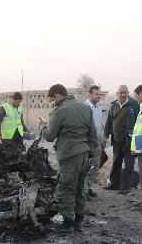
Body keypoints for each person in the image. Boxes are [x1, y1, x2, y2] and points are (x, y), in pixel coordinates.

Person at [40, 84, 98, 236]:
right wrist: (92, 154)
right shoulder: (85, 108)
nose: (53, 102)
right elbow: (93, 134)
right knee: (80, 189)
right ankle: (78, 221)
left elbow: (50, 136)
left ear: (58, 96)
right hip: (84, 154)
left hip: (69, 157)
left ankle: (67, 225)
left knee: (67, 189)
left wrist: (43, 127)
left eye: (53, 99)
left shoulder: (59, 111)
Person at [103, 85, 139, 194]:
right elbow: (109, 122)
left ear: (128, 93)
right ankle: (115, 184)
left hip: (129, 141)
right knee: (116, 163)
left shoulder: (134, 105)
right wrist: (105, 135)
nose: (123, 95)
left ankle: (126, 188)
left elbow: (139, 122)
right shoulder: (114, 106)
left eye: (125, 92)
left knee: (129, 165)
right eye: (121, 93)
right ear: (117, 94)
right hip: (117, 139)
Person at [84, 86, 104, 197]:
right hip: (86, 141)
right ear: (90, 94)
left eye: (100, 94)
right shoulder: (84, 107)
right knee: (85, 165)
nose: (99, 96)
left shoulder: (99, 108)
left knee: (95, 165)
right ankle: (83, 189)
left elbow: (99, 124)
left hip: (97, 140)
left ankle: (88, 187)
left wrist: (103, 138)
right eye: (97, 94)